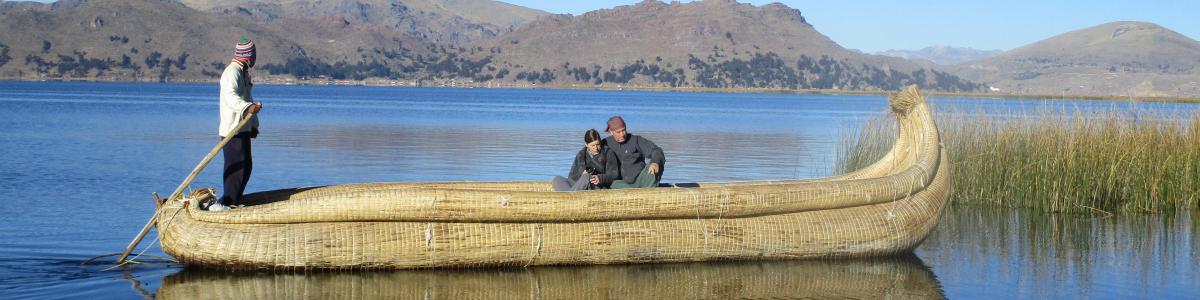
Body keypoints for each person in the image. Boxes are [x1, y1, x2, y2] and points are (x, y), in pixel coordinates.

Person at [211, 37, 263, 211]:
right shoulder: (231, 72)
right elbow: (231, 97)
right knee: (236, 167)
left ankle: (233, 201)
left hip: (243, 129)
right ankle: (226, 202)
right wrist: (248, 108)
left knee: (246, 165)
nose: (255, 58)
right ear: (248, 56)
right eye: (253, 55)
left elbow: (249, 99)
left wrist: (253, 126)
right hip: (232, 130)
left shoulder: (242, 73)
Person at [602, 116, 665, 189]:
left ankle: (647, 191)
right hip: (620, 184)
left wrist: (655, 162)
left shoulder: (636, 140)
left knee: (656, 165)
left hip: (641, 180)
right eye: (618, 132)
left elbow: (657, 150)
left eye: (623, 130)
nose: (622, 134)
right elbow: (590, 153)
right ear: (611, 132)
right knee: (611, 184)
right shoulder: (605, 143)